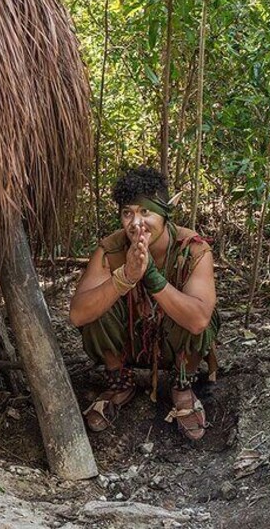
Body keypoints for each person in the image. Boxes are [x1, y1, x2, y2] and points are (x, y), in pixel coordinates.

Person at [69, 166, 219, 440]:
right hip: (131, 343)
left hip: (173, 346)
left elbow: (199, 320)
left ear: (164, 214)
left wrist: (151, 277)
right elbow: (78, 315)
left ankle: (182, 386)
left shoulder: (193, 249)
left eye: (145, 212)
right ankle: (118, 382)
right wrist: (124, 277)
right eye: (128, 213)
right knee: (98, 305)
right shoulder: (110, 249)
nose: (136, 223)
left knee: (199, 314)